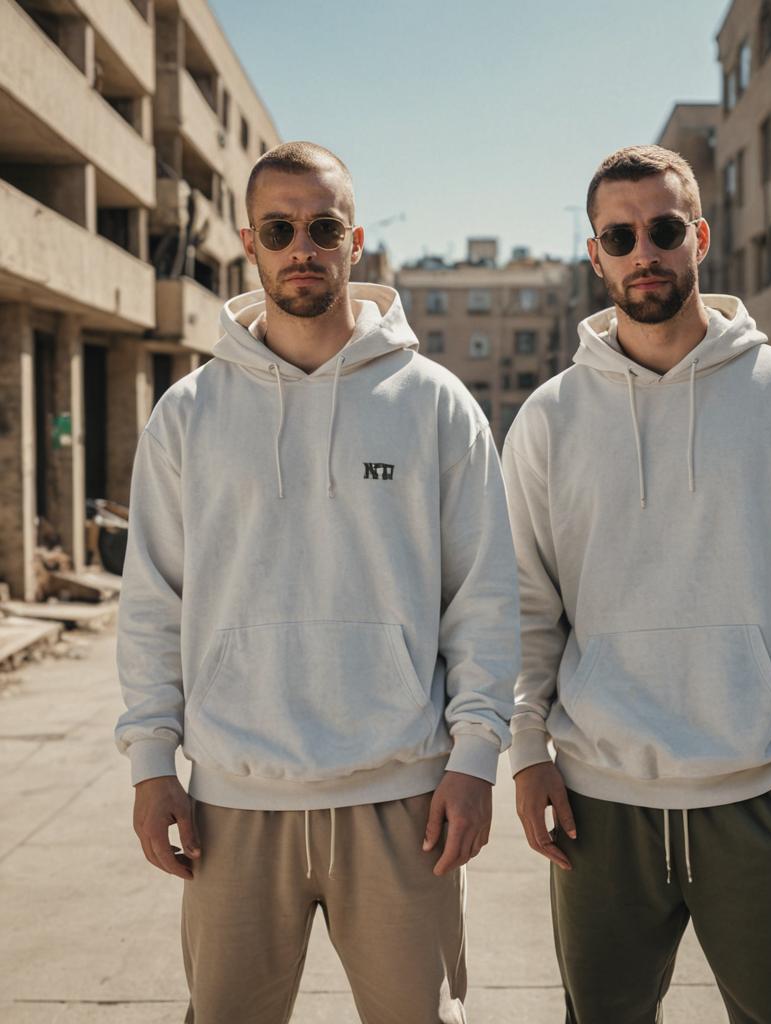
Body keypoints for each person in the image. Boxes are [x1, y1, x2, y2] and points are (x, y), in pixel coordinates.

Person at [115, 141, 519, 1024]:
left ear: (355, 241)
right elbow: (152, 601)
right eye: (281, 228)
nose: (303, 245)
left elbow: (484, 598)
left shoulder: (435, 403)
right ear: (250, 244)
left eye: (323, 227)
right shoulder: (189, 413)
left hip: (401, 796)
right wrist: (152, 765)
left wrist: (477, 758)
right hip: (234, 797)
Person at [503, 145, 771, 1024]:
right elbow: (522, 606)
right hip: (600, 805)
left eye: (665, 229)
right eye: (621, 235)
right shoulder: (550, 419)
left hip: (760, 796)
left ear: (700, 238)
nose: (646, 252)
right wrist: (527, 754)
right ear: (595, 255)